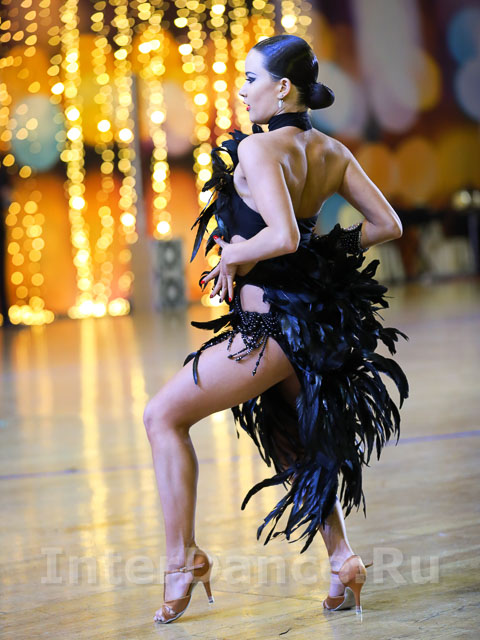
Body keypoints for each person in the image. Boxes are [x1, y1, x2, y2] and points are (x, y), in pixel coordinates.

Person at [143, 34, 409, 624]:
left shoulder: (259, 149)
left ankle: (182, 560)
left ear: (283, 87)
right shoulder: (331, 151)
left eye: (250, 79)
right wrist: (325, 249)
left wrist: (236, 252)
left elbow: (283, 237)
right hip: (309, 326)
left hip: (272, 328)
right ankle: (342, 560)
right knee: (291, 439)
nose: (242, 91)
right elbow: (385, 224)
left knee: (162, 417)